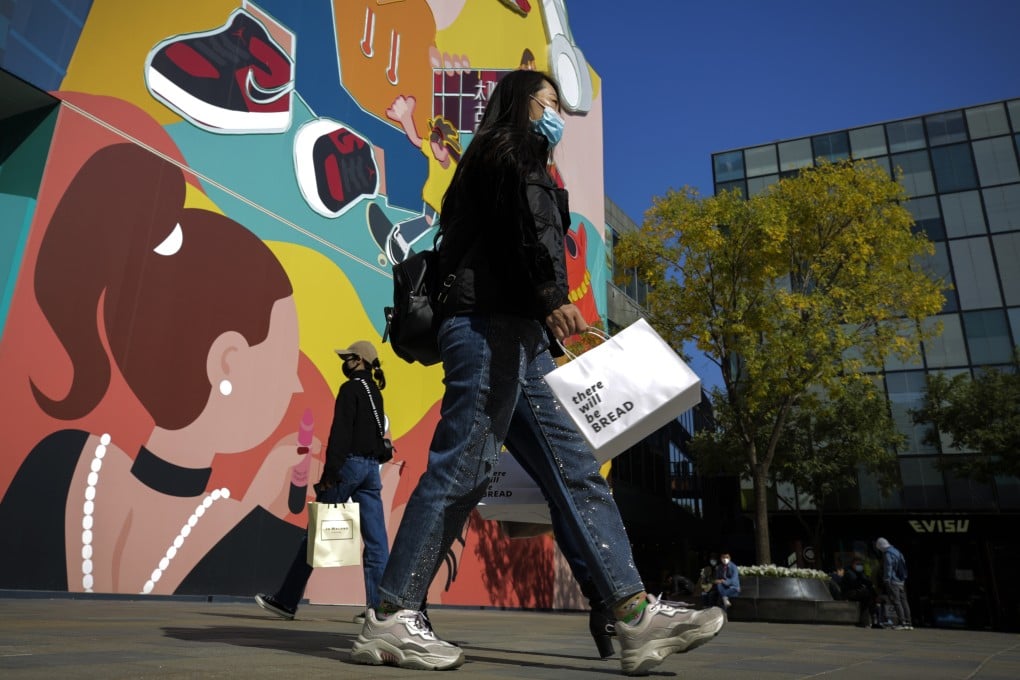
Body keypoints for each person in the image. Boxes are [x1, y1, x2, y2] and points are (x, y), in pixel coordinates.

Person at [349, 70, 725, 676]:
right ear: (522, 104)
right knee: (462, 467)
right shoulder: (509, 149)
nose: (557, 115)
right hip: (489, 329)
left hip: (520, 338)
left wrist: (542, 313)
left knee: (575, 470)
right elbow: (519, 231)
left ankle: (631, 617)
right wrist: (550, 293)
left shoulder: (522, 161)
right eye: (549, 102)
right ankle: (391, 616)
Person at [0, 143, 308, 596]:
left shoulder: (60, 460)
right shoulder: (267, 544)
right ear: (228, 361)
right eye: (286, 364)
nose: (299, 383)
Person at [257, 341, 391, 621]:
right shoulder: (375, 392)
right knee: (377, 542)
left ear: (359, 361)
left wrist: (330, 475)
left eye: (348, 358)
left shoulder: (350, 389)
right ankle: (379, 611)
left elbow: (340, 435)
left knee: (315, 536)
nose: (344, 362)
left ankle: (286, 601)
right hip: (370, 470)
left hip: (349, 467)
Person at [875, 537, 912, 630]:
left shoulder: (888, 554)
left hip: (893, 581)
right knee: (904, 601)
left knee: (896, 601)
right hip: (901, 581)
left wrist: (886, 579)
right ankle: (908, 622)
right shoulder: (897, 551)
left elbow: (889, 567)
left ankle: (901, 622)